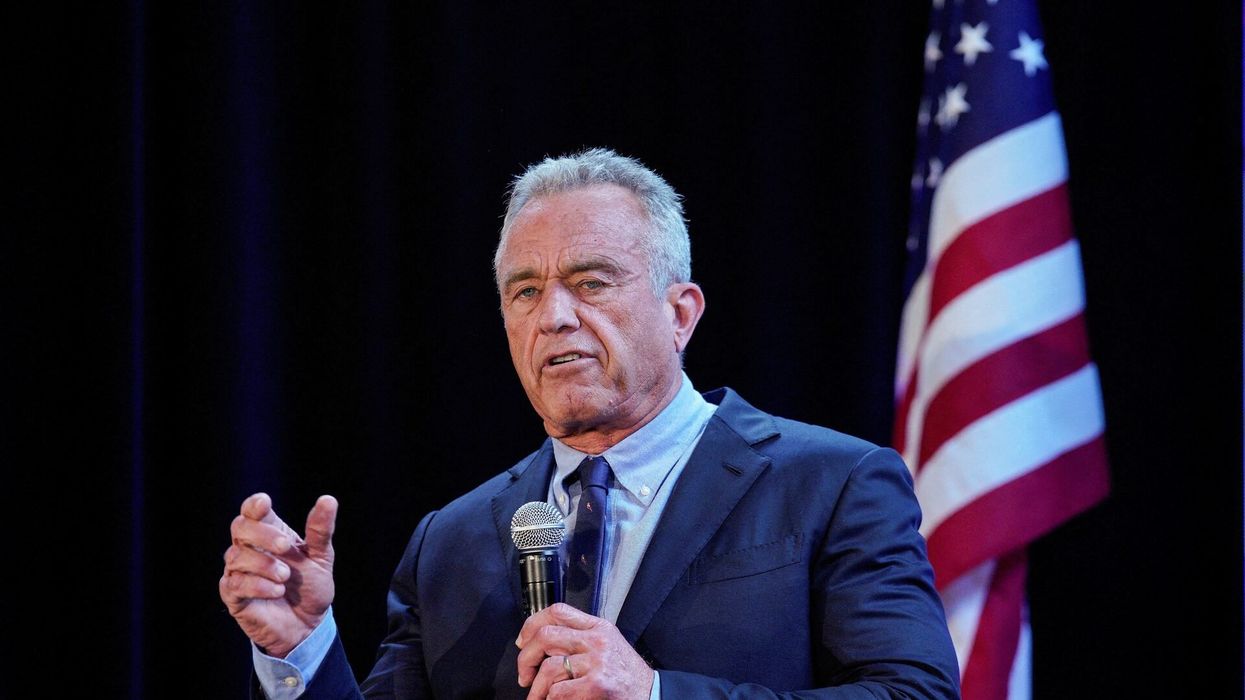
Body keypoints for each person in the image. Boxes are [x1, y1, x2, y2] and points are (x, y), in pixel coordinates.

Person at [220, 147, 961, 699]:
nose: (554, 316)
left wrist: (654, 695)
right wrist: (301, 651)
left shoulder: (832, 484)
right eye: (525, 292)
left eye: (591, 282)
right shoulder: (449, 540)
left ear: (680, 313)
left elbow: (913, 693)